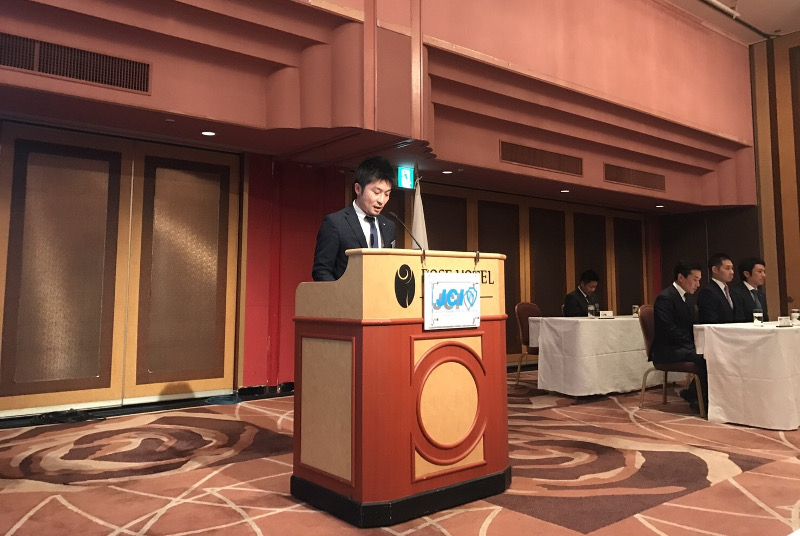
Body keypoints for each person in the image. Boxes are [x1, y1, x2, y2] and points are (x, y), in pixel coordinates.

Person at [312, 156, 396, 281]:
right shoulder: (335, 223)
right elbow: (321, 270)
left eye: (387, 194)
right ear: (358, 189)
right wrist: (342, 292)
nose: (382, 200)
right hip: (345, 293)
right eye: (376, 192)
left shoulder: (389, 226)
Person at [651, 260, 707, 413]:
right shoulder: (665, 298)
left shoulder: (688, 298)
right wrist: (692, 345)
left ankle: (694, 394)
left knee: (711, 353)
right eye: (695, 279)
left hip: (683, 346)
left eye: (699, 280)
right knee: (704, 357)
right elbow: (669, 329)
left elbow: (692, 326)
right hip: (667, 349)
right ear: (681, 277)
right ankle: (702, 401)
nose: (698, 284)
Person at [696, 252, 737, 324]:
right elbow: (710, 321)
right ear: (715, 269)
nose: (732, 272)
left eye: (732, 268)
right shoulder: (707, 292)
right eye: (727, 268)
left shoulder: (729, 291)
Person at [730, 257, 768, 323]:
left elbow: (765, 318)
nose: (764, 275)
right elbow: (739, 318)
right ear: (746, 274)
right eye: (759, 272)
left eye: (764, 272)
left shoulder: (761, 294)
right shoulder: (736, 293)